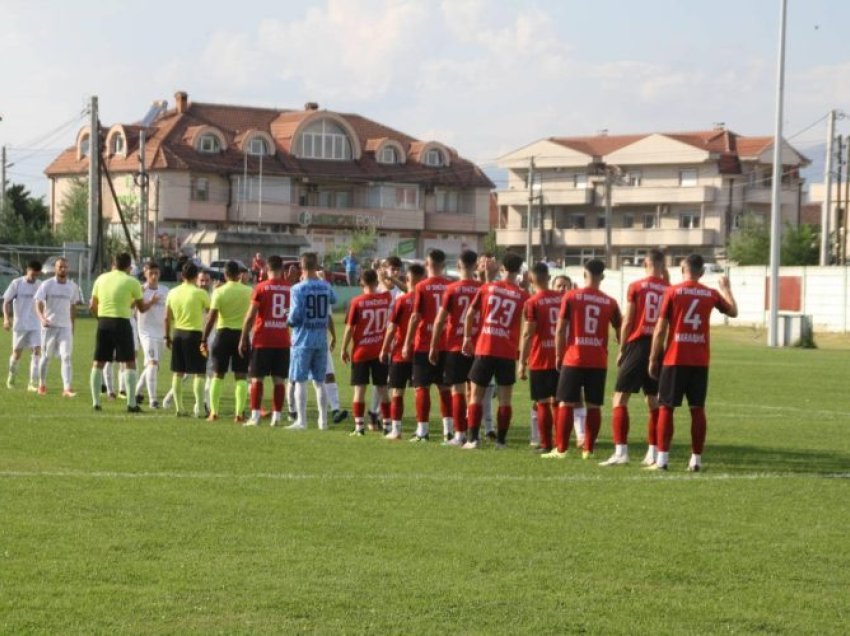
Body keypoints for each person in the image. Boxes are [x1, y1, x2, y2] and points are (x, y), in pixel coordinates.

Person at [648, 254, 738, 471]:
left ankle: (662, 460)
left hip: (675, 358)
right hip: (699, 360)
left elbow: (660, 329)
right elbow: (733, 312)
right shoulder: (710, 293)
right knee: (697, 409)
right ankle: (696, 460)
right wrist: (726, 288)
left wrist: (653, 358)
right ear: (702, 272)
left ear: (682, 269)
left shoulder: (672, 291)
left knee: (667, 408)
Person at [546, 259, 622, 459]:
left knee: (565, 403)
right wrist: (621, 343)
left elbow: (561, 328)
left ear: (584, 274)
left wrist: (558, 354)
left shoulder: (571, 296)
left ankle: (561, 449)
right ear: (602, 277)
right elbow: (621, 326)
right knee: (593, 405)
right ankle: (588, 449)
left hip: (574, 358)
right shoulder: (610, 301)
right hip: (598, 360)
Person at [600, 249, 669, 466]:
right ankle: (654, 452)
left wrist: (622, 347)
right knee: (653, 400)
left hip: (638, 344)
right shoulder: (669, 289)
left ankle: (621, 452)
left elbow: (628, 320)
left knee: (619, 398)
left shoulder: (636, 286)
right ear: (663, 264)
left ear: (645, 263)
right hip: (658, 345)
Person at [461, 252, 529, 449]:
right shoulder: (523, 296)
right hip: (507, 351)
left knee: (475, 396)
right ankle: (501, 441)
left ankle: (473, 439)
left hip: (485, 347)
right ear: (519, 270)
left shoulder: (487, 288)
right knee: (505, 400)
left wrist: (466, 338)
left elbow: (470, 313)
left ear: (502, 269)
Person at [89, 253, 155, 412]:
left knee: (98, 362)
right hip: (122, 323)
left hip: (104, 322)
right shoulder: (132, 282)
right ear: (129, 266)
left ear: (114, 263)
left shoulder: (101, 279)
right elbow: (141, 308)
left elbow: (92, 305)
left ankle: (96, 402)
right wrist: (151, 302)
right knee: (129, 362)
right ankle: (131, 403)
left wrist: (101, 319)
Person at [429, 249, 481, 446]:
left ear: (458, 266)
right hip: (477, 346)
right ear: (475, 266)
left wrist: (434, 346)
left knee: (457, 390)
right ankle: (474, 434)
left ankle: (459, 435)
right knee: (474, 392)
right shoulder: (482, 288)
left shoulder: (451, 289)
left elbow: (440, 321)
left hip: (454, 345)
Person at [402, 249, 453, 442]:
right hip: (446, 343)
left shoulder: (422, 287)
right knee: (445, 388)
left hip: (424, 343)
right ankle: (448, 431)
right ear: (443, 264)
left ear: (427, 263)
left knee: (421, 387)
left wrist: (407, 342)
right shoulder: (450, 285)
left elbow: (415, 316)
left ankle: (422, 432)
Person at [287, 252, 337, 430]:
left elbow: (294, 316)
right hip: (320, 340)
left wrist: (288, 320)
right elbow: (335, 299)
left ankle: (302, 421)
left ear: (302, 266)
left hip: (302, 340)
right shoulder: (325, 286)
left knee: (300, 380)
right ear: (317, 266)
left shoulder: (297, 289)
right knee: (319, 382)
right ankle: (322, 422)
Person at [240, 255, 291, 427]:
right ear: (282, 269)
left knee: (256, 378)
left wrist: (243, 338)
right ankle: (277, 417)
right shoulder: (290, 289)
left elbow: (250, 316)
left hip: (262, 339)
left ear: (266, 269)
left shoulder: (261, 288)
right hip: (283, 340)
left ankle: (255, 416)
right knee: (279, 380)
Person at [341, 269, 392, 436]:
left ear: (361, 283)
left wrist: (343, 348)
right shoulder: (385, 299)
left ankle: (359, 427)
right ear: (376, 282)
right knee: (383, 388)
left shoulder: (357, 302)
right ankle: (387, 426)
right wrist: (382, 276)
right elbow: (387, 288)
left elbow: (349, 329)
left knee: (359, 390)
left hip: (361, 351)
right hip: (380, 351)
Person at [518, 262, 562, 453]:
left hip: (541, 357)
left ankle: (546, 444)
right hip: (562, 356)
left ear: (530, 279)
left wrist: (521, 362)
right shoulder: (563, 298)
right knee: (559, 402)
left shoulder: (532, 302)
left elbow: (528, 334)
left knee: (542, 401)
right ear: (549, 277)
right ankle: (561, 443)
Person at [379, 263, 425, 440]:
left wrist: (384, 348)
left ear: (407, 279)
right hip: (420, 351)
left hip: (400, 352)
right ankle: (422, 429)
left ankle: (396, 430)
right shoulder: (427, 299)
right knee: (419, 391)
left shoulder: (402, 301)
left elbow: (391, 328)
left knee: (397, 391)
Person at [203, 261, 252, 422]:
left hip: (222, 335)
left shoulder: (219, 292)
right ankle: (239, 414)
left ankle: (214, 412)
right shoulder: (249, 291)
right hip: (241, 335)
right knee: (241, 376)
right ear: (239, 274)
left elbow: (211, 318)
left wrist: (203, 338)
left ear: (225, 275)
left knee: (218, 375)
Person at [165, 262, 211, 417]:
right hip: (195, 334)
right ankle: (198, 407)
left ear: (182, 276)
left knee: (178, 372)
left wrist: (167, 336)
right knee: (199, 373)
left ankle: (179, 408)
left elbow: (167, 317)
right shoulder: (200, 293)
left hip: (178, 333)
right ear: (196, 276)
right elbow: (211, 313)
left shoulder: (172, 292)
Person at [33, 257, 81, 397]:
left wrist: (72, 326)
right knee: (46, 357)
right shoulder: (47, 285)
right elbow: (38, 303)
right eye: (60, 267)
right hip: (50, 327)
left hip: (65, 327)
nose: (63, 269)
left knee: (66, 357)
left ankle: (67, 388)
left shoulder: (72, 287)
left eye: (65, 267)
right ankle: (41, 385)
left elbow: (72, 307)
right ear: (55, 268)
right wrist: (42, 318)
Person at [3, 260, 43, 391]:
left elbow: (43, 303)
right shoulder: (17, 283)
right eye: (33, 274)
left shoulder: (40, 285)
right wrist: (6, 319)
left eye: (37, 275)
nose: (34, 278)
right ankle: (11, 377)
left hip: (36, 324)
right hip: (20, 324)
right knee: (16, 353)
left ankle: (32, 383)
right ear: (27, 270)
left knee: (37, 351)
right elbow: (6, 302)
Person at [134, 261, 169, 408]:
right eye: (151, 274)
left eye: (156, 273)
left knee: (152, 365)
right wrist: (151, 301)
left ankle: (136, 392)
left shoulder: (165, 290)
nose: (154, 276)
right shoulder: (140, 290)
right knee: (153, 364)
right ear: (146, 274)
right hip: (146, 332)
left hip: (161, 333)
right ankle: (152, 400)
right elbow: (134, 307)